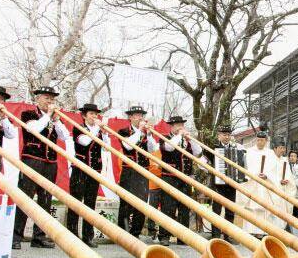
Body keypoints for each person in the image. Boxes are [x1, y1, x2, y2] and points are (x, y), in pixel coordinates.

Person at [13, 86, 70, 250]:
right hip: (32, 160)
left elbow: (64, 136)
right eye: (46, 97)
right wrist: (48, 116)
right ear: (37, 99)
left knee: (45, 200)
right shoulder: (29, 114)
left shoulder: (54, 118)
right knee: (25, 198)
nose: (50, 101)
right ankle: (16, 236)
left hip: (50, 163)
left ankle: (39, 236)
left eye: (52, 98)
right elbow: (34, 129)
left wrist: (57, 120)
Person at [66, 103, 109, 248]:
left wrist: (104, 132)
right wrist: (97, 128)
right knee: (76, 202)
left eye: (96, 114)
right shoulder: (78, 127)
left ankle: (88, 236)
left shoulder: (98, 130)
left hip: (95, 170)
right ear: (84, 116)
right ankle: (72, 235)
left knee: (90, 204)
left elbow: (107, 147)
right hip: (80, 169)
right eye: (91, 114)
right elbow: (84, 142)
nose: (94, 117)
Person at [116, 106, 158, 240]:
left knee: (141, 203)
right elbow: (128, 146)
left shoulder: (146, 133)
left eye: (141, 115)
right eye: (136, 115)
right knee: (126, 202)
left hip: (143, 171)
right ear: (130, 118)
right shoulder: (123, 131)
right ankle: (122, 233)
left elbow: (152, 150)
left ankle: (135, 233)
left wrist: (150, 134)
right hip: (129, 171)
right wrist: (139, 131)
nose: (140, 118)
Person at [159, 115, 201, 245]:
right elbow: (169, 148)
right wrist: (179, 135)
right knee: (168, 207)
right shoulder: (165, 137)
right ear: (171, 126)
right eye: (177, 125)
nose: (180, 127)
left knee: (184, 207)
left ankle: (182, 237)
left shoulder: (186, 140)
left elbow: (198, 152)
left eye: (182, 124)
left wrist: (190, 139)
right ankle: (164, 236)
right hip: (169, 177)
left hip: (185, 178)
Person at [205, 124, 245, 243]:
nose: (227, 137)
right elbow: (204, 162)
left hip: (231, 184)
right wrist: (209, 168)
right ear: (219, 136)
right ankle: (215, 235)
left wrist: (240, 176)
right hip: (218, 184)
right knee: (216, 210)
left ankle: (228, 235)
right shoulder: (213, 148)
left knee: (230, 210)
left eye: (228, 134)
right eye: (224, 134)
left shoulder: (236, 148)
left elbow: (241, 164)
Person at [239, 130, 273, 236]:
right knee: (250, 207)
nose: (260, 142)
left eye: (262, 140)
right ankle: (250, 231)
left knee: (263, 207)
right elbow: (244, 167)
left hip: (264, 183)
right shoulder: (249, 152)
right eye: (258, 140)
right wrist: (252, 176)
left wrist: (267, 175)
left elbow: (273, 168)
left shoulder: (270, 153)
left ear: (266, 141)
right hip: (251, 182)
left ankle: (262, 231)